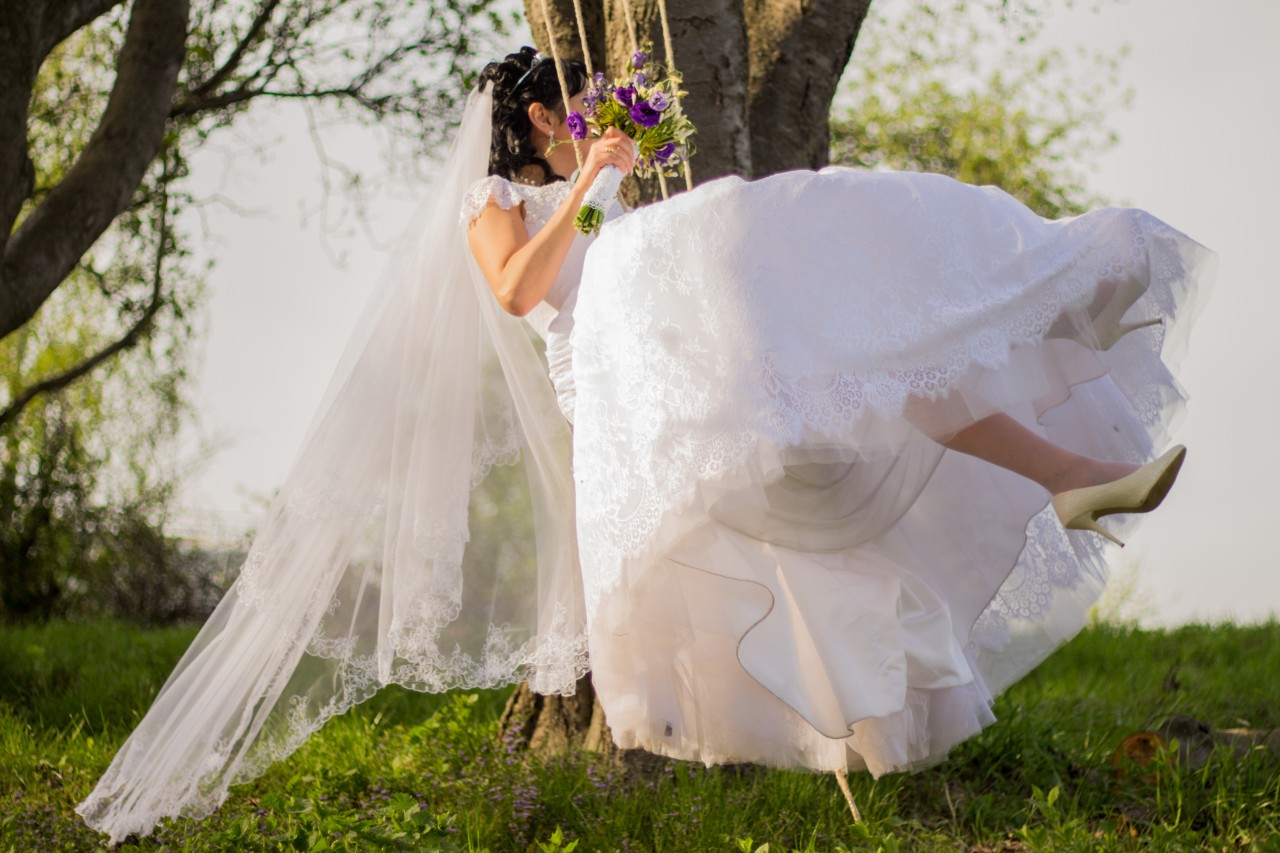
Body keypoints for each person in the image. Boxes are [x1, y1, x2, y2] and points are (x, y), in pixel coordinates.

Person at [77, 46, 1212, 842]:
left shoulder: (594, 193)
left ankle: (1068, 467)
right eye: (567, 114)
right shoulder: (501, 201)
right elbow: (521, 292)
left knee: (882, 381)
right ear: (531, 123)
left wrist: (622, 189)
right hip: (629, 405)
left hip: (686, 376)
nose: (584, 129)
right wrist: (596, 182)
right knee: (831, 422)